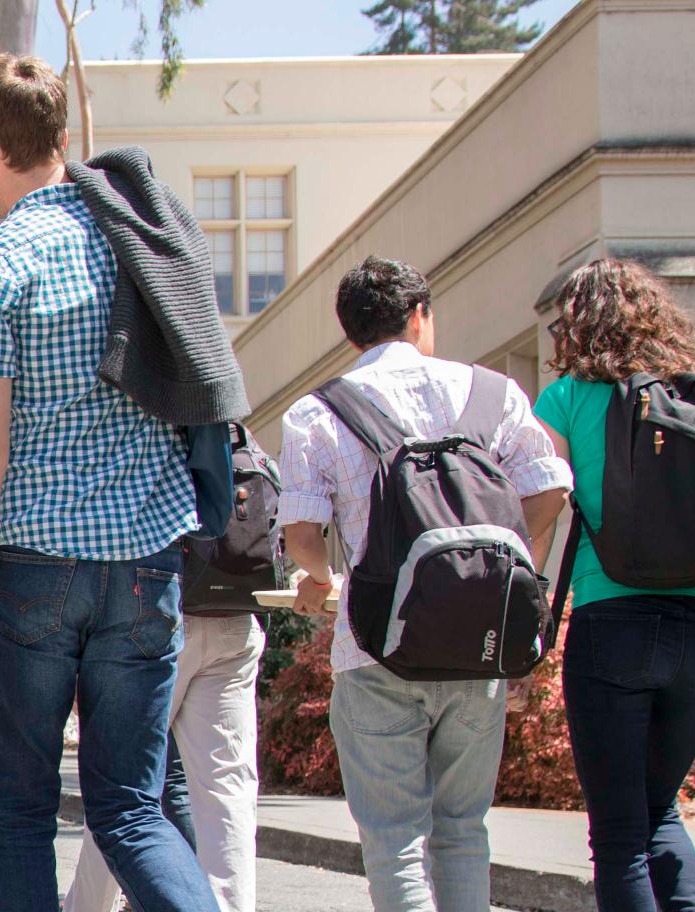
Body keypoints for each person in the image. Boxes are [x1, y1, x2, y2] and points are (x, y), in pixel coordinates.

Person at [0, 54, 223, 912]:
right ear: (60, 138)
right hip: (146, 564)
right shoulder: (145, 246)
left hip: (33, 571)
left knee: (18, 809)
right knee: (133, 808)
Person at [276, 256, 571, 912]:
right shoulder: (493, 394)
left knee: (395, 838)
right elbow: (551, 488)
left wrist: (320, 579)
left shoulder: (317, 413)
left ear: (351, 334)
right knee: (462, 830)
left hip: (376, 648)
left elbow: (302, 537)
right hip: (479, 649)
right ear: (419, 316)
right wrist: (492, 569)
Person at [536, 259, 695, 912]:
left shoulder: (566, 397)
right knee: (662, 813)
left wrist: (521, 619)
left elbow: (540, 509)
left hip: (610, 625)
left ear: (576, 324)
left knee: (620, 833)